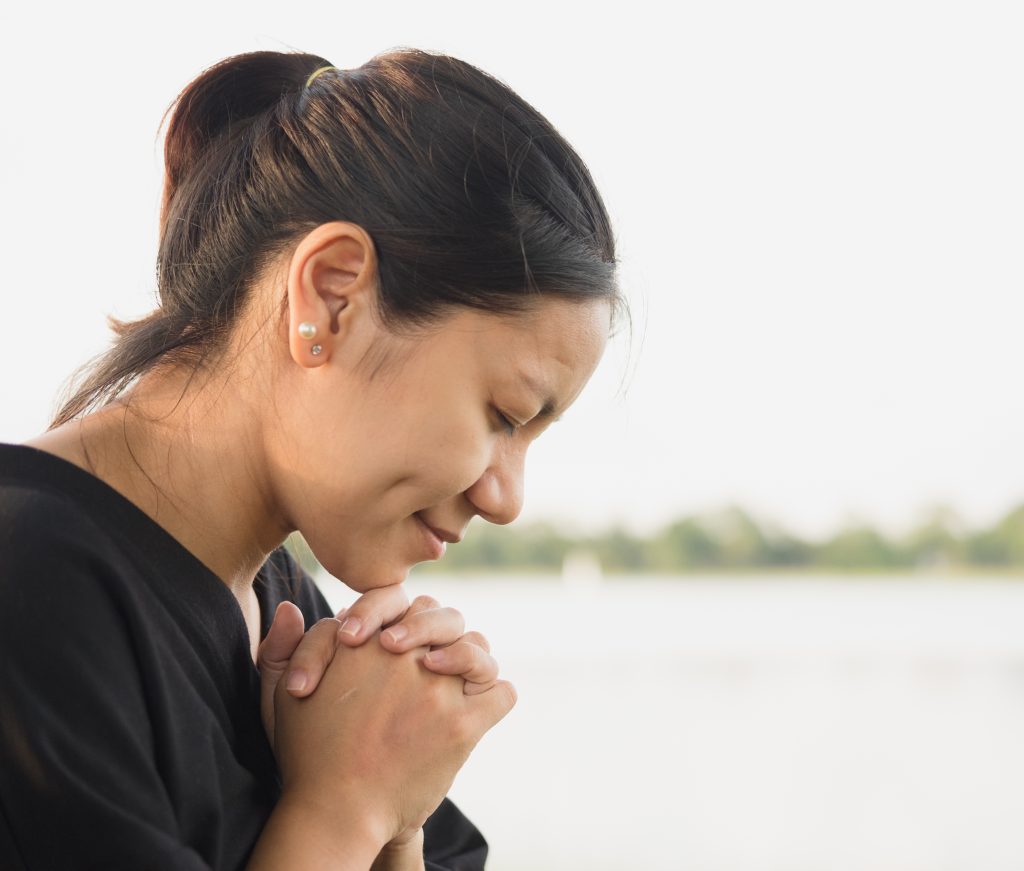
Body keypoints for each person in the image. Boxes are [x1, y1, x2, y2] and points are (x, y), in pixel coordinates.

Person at [0, 48, 627, 870]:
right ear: (330, 295)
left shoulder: (287, 607)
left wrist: (399, 811)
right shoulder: (29, 582)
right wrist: (346, 805)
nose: (507, 498)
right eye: (504, 414)